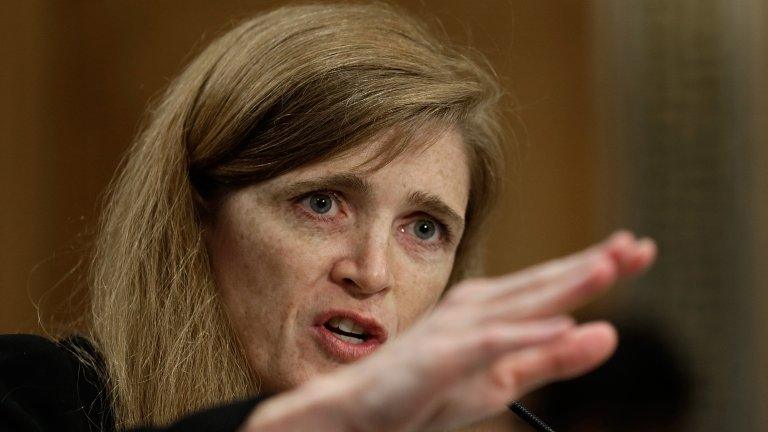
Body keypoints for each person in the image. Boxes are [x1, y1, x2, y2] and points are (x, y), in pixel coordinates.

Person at [0, 2, 657, 432]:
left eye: (424, 229)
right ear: (199, 212)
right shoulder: (30, 400)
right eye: (321, 203)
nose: (372, 273)